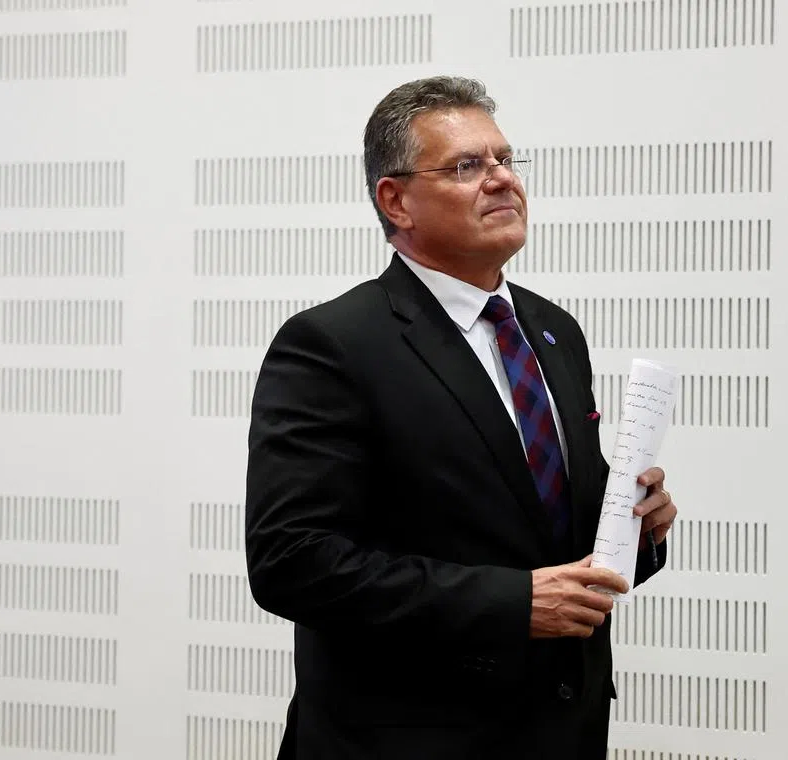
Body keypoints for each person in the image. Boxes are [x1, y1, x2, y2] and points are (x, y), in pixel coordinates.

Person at [244, 75, 678, 760]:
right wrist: (511, 604)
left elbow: (548, 535)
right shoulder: (334, 344)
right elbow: (292, 561)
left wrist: (636, 530)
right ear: (396, 200)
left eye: (505, 159)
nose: (502, 179)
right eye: (467, 166)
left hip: (561, 731)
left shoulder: (554, 332)